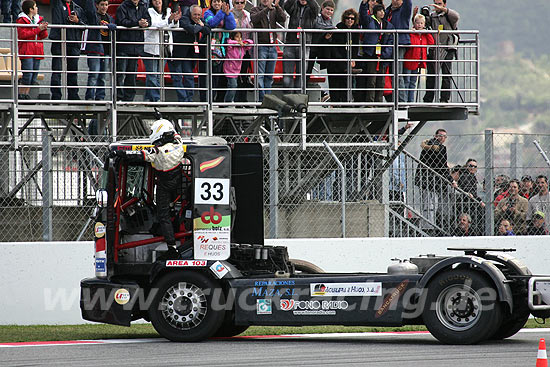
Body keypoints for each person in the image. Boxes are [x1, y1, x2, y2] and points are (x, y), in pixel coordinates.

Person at [115, 119, 185, 259]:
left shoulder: (158, 151)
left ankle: (172, 248)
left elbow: (139, 155)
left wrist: (120, 153)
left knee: (163, 215)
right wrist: (162, 119)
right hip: (178, 180)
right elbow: (176, 134)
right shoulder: (179, 144)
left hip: (164, 184)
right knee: (171, 211)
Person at [418, 0, 459, 103]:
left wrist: (443, 10)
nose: (437, 6)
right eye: (436, 3)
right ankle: (428, 99)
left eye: (439, 3)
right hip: (435, 49)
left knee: (446, 74)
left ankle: (444, 99)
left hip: (448, 47)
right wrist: (418, 15)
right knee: (431, 75)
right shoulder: (432, 17)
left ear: (444, 4)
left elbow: (456, 16)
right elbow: (422, 24)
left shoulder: (448, 16)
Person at [171, 4, 211, 102]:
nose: (197, 17)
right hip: (177, 53)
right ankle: (183, 100)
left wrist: (200, 26)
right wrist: (200, 26)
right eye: (195, 15)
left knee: (189, 77)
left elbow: (208, 30)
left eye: (199, 15)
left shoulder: (200, 20)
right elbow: (192, 29)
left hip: (190, 53)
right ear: (190, 13)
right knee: (177, 78)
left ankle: (189, 99)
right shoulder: (184, 18)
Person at [414, 128, 451, 230]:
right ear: (436, 136)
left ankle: (426, 226)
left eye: (444, 136)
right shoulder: (440, 148)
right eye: (441, 136)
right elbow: (442, 165)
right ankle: (429, 228)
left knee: (427, 206)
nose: (442, 138)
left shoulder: (427, 146)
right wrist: (451, 180)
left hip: (424, 179)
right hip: (433, 181)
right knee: (431, 206)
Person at [143, 0, 180, 102]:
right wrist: (168, 21)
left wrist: (175, 21)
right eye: (154, 0)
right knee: (152, 75)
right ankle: (156, 99)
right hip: (151, 48)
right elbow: (154, 25)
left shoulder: (168, 11)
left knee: (158, 76)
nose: (157, 1)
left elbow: (173, 26)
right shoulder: (148, 11)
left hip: (164, 47)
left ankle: (148, 98)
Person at [49, 0, 87, 100]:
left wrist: (77, 21)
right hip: (59, 42)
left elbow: (84, 25)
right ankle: (56, 97)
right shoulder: (56, 4)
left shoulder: (78, 8)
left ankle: (73, 97)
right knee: (57, 72)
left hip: (74, 43)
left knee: (73, 73)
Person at [250, 0, 286, 102]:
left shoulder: (274, 10)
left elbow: (283, 18)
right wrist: (266, 9)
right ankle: (262, 100)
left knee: (269, 77)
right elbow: (254, 19)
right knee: (260, 76)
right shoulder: (254, 9)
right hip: (261, 46)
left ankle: (268, 100)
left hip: (272, 46)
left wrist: (278, 7)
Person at [115, 0, 151, 101]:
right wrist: (138, 23)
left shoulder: (143, 7)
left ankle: (129, 99)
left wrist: (146, 23)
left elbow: (149, 20)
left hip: (136, 47)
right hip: (124, 45)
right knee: (120, 73)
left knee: (132, 74)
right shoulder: (122, 7)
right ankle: (119, 98)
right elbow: (122, 21)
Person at [81, 0, 116, 101]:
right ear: (97, 5)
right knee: (94, 75)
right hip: (94, 50)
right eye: (102, 5)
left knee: (102, 77)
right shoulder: (93, 16)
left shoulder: (110, 18)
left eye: (106, 5)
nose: (104, 7)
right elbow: (90, 10)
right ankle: (90, 97)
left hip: (106, 51)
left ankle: (100, 97)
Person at [281, 0, 318, 94]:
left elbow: (315, 8)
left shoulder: (312, 9)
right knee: (287, 74)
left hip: (305, 43)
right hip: (290, 42)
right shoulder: (294, 6)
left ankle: (299, 98)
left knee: (301, 74)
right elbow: (286, 5)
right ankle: (288, 97)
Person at [203, 0, 236, 102]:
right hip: (211, 50)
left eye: (219, 1)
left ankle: (220, 101)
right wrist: (222, 13)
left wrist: (228, 14)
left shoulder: (225, 12)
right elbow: (212, 23)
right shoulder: (208, 13)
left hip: (223, 49)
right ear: (211, 3)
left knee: (222, 78)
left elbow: (231, 26)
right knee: (213, 77)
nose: (217, 4)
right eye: (215, 1)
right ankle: (210, 100)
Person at [361, 4, 394, 103]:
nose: (382, 13)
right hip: (372, 55)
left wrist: (385, 54)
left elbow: (390, 42)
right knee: (372, 80)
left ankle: (379, 102)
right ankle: (370, 102)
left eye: (383, 11)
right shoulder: (370, 21)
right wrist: (364, 4)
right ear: (375, 12)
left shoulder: (388, 26)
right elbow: (363, 15)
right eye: (379, 11)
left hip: (382, 57)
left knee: (381, 81)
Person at [16, 0, 48, 100]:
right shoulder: (21, 20)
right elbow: (23, 35)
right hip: (27, 50)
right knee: (28, 74)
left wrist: (43, 28)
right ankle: (22, 94)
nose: (37, 8)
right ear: (31, 9)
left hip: (36, 50)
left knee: (34, 75)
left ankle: (26, 94)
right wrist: (38, 29)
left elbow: (44, 36)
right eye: (35, 6)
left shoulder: (38, 19)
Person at [326, 8, 359, 103]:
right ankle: (335, 103)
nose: (349, 20)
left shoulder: (356, 29)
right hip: (336, 61)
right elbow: (335, 46)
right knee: (335, 83)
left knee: (346, 83)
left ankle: (346, 103)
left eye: (352, 19)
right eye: (347, 18)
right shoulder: (339, 27)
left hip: (347, 60)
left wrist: (353, 59)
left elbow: (355, 46)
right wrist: (341, 60)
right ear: (344, 19)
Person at [383, 0, 412, 103]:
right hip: (389, 44)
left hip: (399, 43)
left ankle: (402, 101)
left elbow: (408, 4)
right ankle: (393, 100)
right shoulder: (388, 10)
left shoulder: (403, 11)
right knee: (390, 73)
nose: (395, 1)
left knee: (397, 73)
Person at [306, 0, 334, 102]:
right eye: (327, 9)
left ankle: (324, 93)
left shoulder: (329, 21)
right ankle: (304, 93)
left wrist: (328, 36)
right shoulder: (317, 17)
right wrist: (330, 29)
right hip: (311, 48)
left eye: (331, 10)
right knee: (307, 71)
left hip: (320, 49)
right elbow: (317, 26)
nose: (329, 12)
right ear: (322, 8)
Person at [403, 13, 433, 102]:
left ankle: (410, 101)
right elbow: (410, 44)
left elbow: (431, 42)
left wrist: (427, 33)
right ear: (414, 24)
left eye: (421, 23)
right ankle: (404, 100)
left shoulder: (424, 35)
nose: (419, 25)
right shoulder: (411, 34)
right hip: (409, 61)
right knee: (406, 81)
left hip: (417, 62)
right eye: (417, 23)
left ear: (424, 24)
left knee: (412, 83)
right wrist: (412, 32)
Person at [230, 0, 253, 102]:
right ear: (233, 4)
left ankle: (242, 100)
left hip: (244, 50)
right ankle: (232, 100)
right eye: (237, 2)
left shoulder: (248, 15)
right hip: (232, 50)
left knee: (243, 75)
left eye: (242, 2)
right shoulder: (229, 14)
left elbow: (251, 31)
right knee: (233, 77)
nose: (239, 4)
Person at [223, 31, 253, 103]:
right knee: (233, 86)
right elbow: (228, 42)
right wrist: (236, 43)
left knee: (233, 86)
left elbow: (251, 43)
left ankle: (229, 101)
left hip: (237, 70)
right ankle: (227, 102)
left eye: (240, 37)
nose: (239, 39)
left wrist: (243, 42)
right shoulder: (231, 47)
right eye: (237, 37)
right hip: (229, 69)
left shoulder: (242, 47)